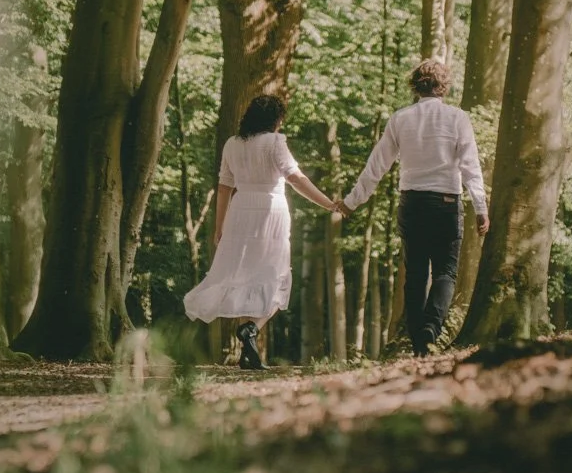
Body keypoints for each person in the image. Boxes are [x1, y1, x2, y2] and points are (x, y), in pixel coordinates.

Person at [338, 57, 488, 354]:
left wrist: (352, 201)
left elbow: (377, 165)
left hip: (413, 202)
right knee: (446, 272)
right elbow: (470, 166)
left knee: (416, 273)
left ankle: (418, 337)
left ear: (416, 86)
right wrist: (481, 207)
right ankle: (432, 327)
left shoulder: (400, 118)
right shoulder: (457, 118)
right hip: (446, 202)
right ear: (444, 87)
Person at [184, 92, 337, 369]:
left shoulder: (232, 144)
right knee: (276, 276)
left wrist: (219, 227)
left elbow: (224, 187)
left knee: (246, 276)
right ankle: (252, 328)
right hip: (270, 210)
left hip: (239, 211)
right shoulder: (275, 142)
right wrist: (328, 203)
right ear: (275, 119)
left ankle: (248, 352)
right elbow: (296, 178)